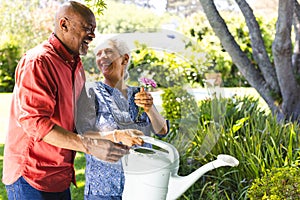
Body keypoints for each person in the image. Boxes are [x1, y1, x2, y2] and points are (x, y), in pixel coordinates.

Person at [2, 2, 143, 200]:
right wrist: (91, 146)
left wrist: (116, 135)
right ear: (64, 24)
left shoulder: (76, 67)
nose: (93, 36)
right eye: (87, 28)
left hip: (59, 175)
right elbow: (36, 123)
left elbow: (77, 123)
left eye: (93, 30)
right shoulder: (38, 61)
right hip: (31, 176)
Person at [80, 38, 169, 200]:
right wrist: (116, 135)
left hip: (140, 184)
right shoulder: (92, 92)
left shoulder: (139, 94)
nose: (102, 57)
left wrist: (150, 109)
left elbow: (162, 131)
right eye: (98, 54)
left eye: (108, 52)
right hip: (104, 187)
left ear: (125, 59)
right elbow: (83, 134)